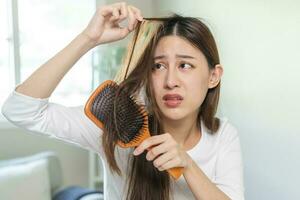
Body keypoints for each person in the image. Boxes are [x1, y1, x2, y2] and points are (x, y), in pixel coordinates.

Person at [1, 2, 244, 200]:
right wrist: (88, 38)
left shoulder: (223, 135)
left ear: (213, 76)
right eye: (158, 66)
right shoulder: (116, 125)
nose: (171, 81)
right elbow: (21, 110)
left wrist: (188, 165)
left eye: (185, 65)